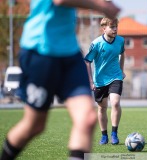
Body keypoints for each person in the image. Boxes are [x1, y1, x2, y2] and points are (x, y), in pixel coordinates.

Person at [0, 0, 120, 160]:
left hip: (70, 53)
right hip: (41, 51)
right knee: (34, 125)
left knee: (87, 118)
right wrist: (101, 6)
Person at [84, 17, 125, 145]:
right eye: (112, 27)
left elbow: (122, 53)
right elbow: (87, 61)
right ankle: (104, 135)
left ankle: (114, 133)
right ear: (104, 28)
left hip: (115, 76)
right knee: (102, 108)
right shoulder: (96, 44)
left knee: (116, 102)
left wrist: (122, 70)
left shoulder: (120, 41)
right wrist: (91, 81)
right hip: (100, 80)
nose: (115, 29)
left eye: (116, 26)